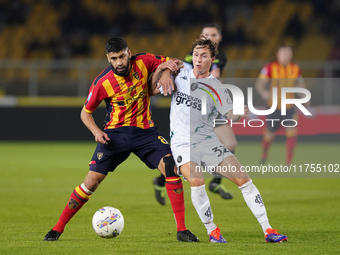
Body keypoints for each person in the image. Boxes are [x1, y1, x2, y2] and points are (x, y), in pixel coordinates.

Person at [44, 37, 198, 242]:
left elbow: (177, 61)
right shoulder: (102, 82)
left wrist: (166, 72)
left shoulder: (143, 61)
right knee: (91, 182)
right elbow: (85, 113)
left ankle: (182, 230)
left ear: (129, 53)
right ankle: (57, 228)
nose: (119, 62)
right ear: (108, 58)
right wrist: (96, 132)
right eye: (114, 58)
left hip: (146, 132)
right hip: (114, 136)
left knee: (170, 166)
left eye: (122, 56)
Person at [151, 36, 287, 243]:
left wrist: (238, 113)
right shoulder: (180, 73)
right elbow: (152, 86)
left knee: (244, 180)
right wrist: (165, 72)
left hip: (207, 141)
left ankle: (268, 230)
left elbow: (229, 115)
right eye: (196, 55)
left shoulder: (216, 87)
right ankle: (212, 230)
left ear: (212, 59)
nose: (198, 59)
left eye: (203, 56)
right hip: (182, 143)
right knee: (196, 180)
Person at [153, 23, 234, 205]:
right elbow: (179, 70)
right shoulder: (193, 57)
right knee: (183, 158)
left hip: (210, 105)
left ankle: (215, 181)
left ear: (219, 38)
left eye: (213, 34)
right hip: (193, 107)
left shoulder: (221, 57)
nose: (210, 38)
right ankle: (162, 180)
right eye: (206, 35)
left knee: (229, 142)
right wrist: (166, 72)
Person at [255, 44, 306, 165]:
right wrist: (264, 93)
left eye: (288, 53)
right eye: (283, 53)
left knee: (291, 131)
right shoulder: (269, 67)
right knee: (269, 134)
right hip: (274, 107)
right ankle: (264, 156)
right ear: (277, 54)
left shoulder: (295, 68)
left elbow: (300, 84)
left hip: (289, 107)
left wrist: (304, 95)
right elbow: (259, 84)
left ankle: (289, 163)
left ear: (291, 55)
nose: (285, 56)